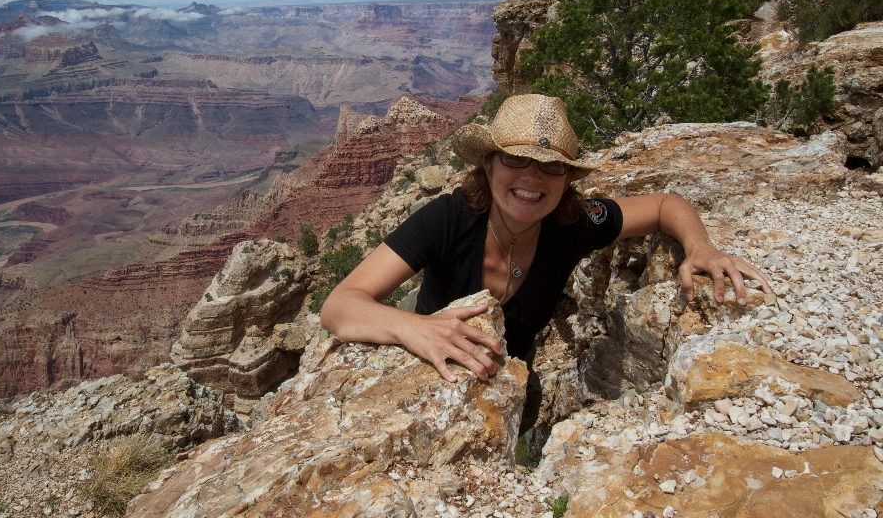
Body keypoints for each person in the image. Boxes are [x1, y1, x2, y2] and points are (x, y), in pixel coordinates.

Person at [320, 94, 771, 427]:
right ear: (489, 165)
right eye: (516, 159)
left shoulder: (573, 224)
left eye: (551, 165)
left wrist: (701, 247)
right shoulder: (448, 218)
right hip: (435, 368)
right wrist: (415, 327)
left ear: (566, 179)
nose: (532, 178)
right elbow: (339, 306)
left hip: (515, 368)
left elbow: (664, 205)